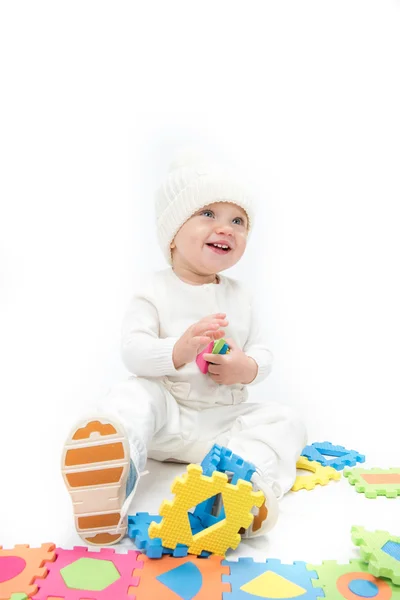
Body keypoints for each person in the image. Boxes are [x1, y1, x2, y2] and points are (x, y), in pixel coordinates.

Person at [61, 150, 307, 546]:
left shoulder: (241, 296)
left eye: (238, 221)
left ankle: (241, 487)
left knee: (285, 419)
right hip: (166, 416)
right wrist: (176, 351)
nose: (226, 228)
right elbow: (133, 351)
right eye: (208, 214)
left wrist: (245, 367)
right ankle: (114, 472)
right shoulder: (154, 289)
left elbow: (264, 352)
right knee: (130, 394)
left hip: (220, 427)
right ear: (173, 233)